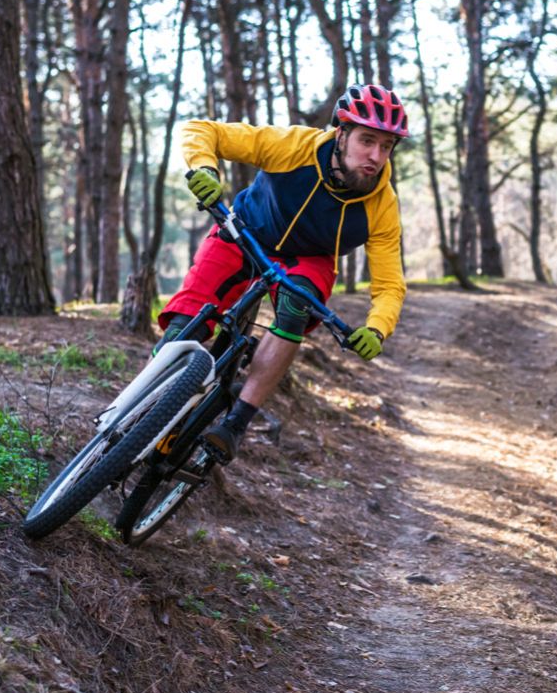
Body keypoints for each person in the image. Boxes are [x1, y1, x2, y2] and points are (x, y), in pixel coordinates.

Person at [154, 84, 409, 464]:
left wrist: (377, 328)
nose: (375, 156)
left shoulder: (381, 205)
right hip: (245, 231)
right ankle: (146, 406)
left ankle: (236, 424)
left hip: (308, 259)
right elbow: (203, 130)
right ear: (341, 133)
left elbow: (389, 284)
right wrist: (205, 168)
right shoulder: (294, 146)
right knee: (185, 321)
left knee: (297, 307)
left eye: (386, 146)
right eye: (367, 140)